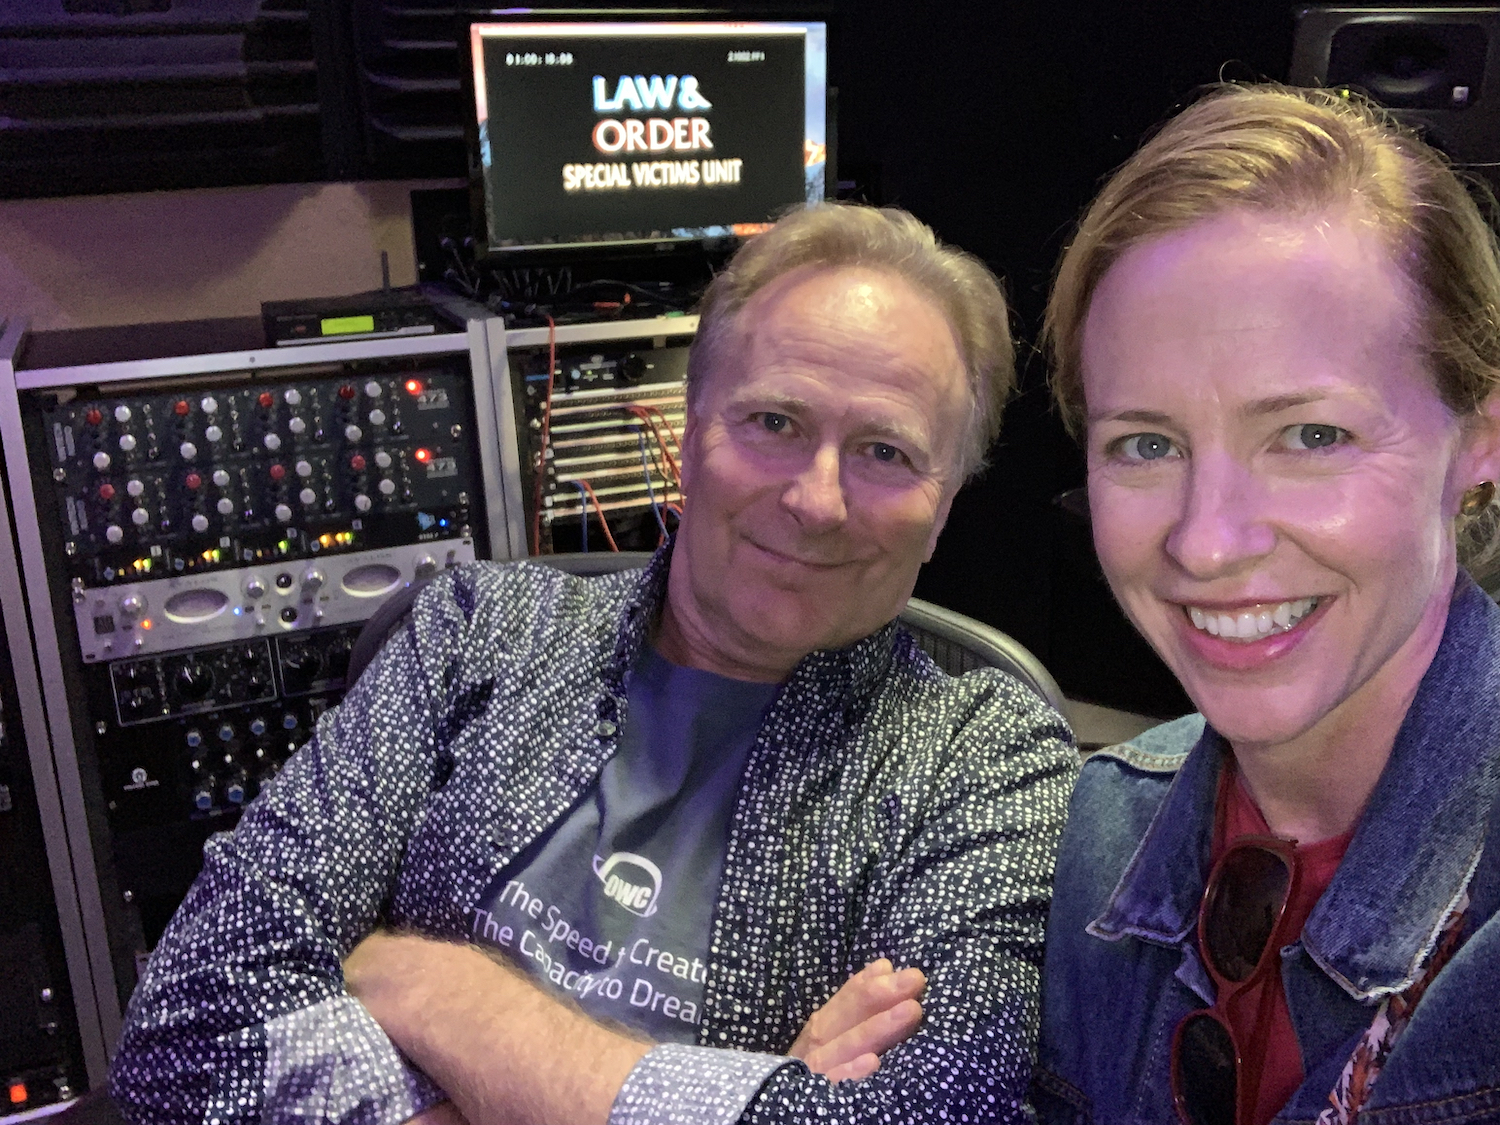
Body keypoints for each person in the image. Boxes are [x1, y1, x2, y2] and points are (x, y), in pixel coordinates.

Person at [109, 202, 1078, 1125]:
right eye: (775, 423)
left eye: (886, 452)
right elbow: (181, 1037)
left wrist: (439, 994)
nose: (817, 501)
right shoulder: (473, 630)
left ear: (943, 508)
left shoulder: (987, 757)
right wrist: (755, 1092)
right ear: (689, 435)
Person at [1032, 83, 1500, 1125]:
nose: (1207, 539)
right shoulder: (1100, 831)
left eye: (1311, 436)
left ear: (1480, 442)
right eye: (1145, 445)